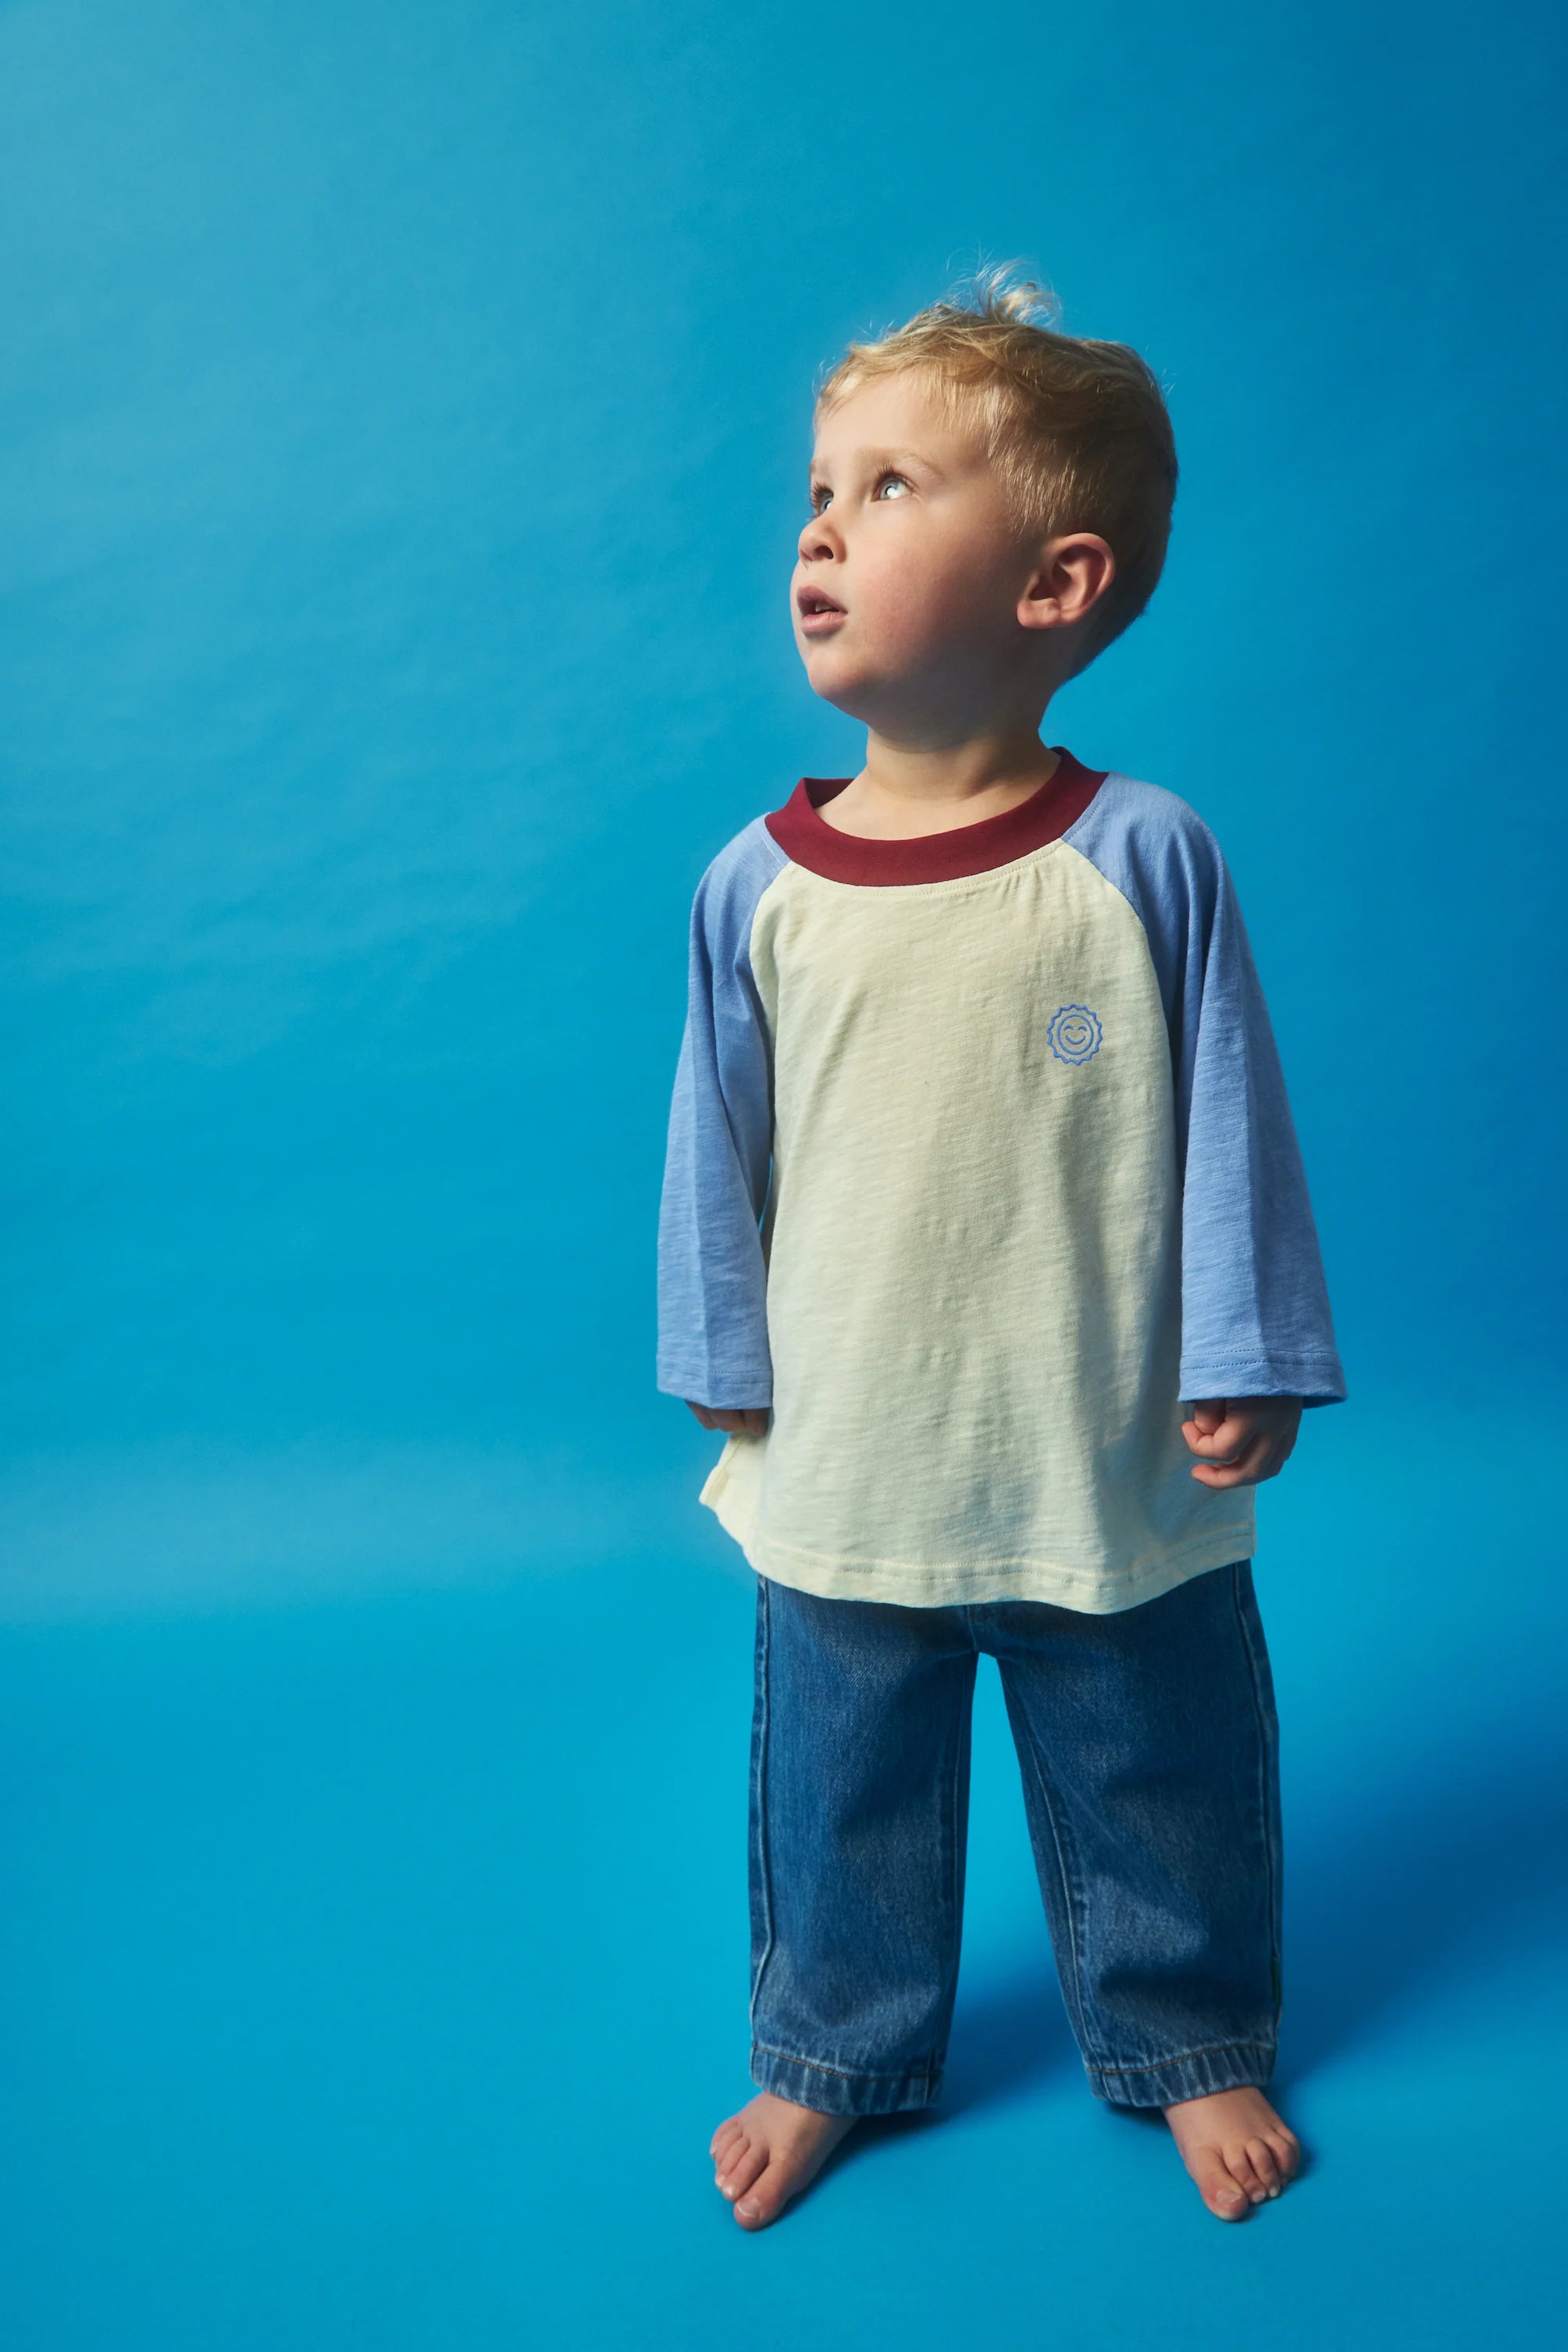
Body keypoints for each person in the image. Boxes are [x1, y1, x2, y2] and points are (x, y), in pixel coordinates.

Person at [656, 269, 1344, 2230]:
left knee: (1154, 1757)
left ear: (1052, 587)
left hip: (1093, 1442)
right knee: (841, 1780)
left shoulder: (1137, 858)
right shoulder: (757, 887)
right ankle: (829, 2050)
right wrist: (720, 1344)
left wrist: (1249, 1345)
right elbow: (711, 1145)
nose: (817, 525)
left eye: (886, 488)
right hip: (850, 1445)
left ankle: (1186, 2035)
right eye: (816, 487)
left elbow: (1231, 1116)